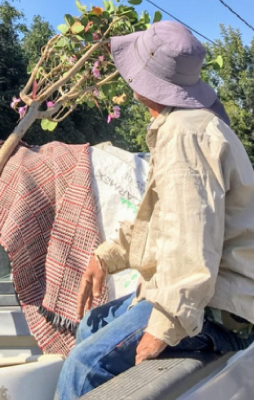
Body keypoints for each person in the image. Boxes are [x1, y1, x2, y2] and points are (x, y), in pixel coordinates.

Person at [55, 20, 254, 399]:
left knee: (84, 366)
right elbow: (160, 220)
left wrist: (165, 325)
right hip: (209, 299)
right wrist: (106, 257)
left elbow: (192, 239)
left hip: (216, 310)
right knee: (93, 324)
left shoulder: (185, 134)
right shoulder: (186, 126)